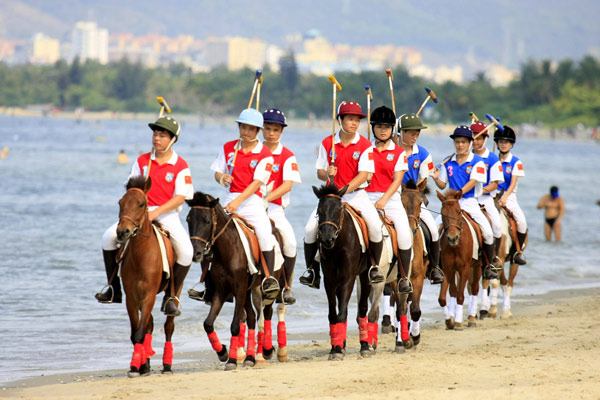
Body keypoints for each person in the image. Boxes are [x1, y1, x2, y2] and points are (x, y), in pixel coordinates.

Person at [96, 116, 194, 316]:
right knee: (108, 237)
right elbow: (130, 188)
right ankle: (113, 288)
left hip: (166, 215)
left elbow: (181, 197)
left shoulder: (180, 165)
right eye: (155, 134)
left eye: (162, 135)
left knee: (186, 252)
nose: (157, 138)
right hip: (139, 213)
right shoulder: (142, 161)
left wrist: (156, 212)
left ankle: (171, 296)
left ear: (172, 139)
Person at [300, 101, 385, 289]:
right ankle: (312, 270)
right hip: (331, 199)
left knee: (375, 227)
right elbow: (319, 173)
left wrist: (344, 189)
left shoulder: (364, 145)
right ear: (340, 120)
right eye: (350, 119)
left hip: (355, 196)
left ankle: (374, 267)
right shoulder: (327, 143)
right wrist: (327, 172)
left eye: (357, 120)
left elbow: (363, 174)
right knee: (309, 229)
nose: (354, 123)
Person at [210, 108, 279, 296]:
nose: (245, 132)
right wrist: (222, 178)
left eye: (250, 129)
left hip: (252, 202)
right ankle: (206, 282)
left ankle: (268, 279)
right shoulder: (228, 148)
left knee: (265, 235)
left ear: (258, 131)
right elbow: (217, 172)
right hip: (230, 197)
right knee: (209, 233)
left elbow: (256, 183)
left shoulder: (265, 154)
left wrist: (238, 202)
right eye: (243, 128)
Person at [432, 125, 499, 279]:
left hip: (469, 202)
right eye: (457, 142)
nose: (460, 145)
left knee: (488, 233)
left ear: (470, 143)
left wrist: (460, 192)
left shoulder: (477, 161)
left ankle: (489, 265)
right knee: (434, 230)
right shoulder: (447, 161)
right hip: (451, 205)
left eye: (463, 142)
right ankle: (434, 266)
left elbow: (474, 181)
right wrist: (435, 177)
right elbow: (443, 185)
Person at [365, 106, 413, 294]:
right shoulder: (364, 149)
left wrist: (384, 200)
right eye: (379, 127)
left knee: (403, 235)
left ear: (392, 129)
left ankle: (404, 277)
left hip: (391, 200)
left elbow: (398, 180)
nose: (383, 130)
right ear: (373, 128)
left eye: (387, 127)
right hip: (365, 197)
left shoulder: (399, 152)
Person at [396, 113, 444, 284]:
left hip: (412, 199)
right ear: (401, 132)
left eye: (417, 133)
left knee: (432, 229)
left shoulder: (423, 154)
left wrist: (410, 191)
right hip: (392, 198)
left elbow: (424, 179)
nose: (415, 136)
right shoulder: (392, 149)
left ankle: (434, 268)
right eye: (411, 132)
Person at [261, 108, 301, 304]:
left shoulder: (287, 156)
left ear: (281, 132)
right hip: (247, 205)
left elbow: (288, 185)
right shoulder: (253, 152)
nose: (270, 133)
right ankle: (209, 284)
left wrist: (266, 199)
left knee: (291, 243)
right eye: (267, 128)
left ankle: (286, 287)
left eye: (275, 130)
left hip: (274, 209)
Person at [471, 121, 505, 265]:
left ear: (485, 139)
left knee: (497, 227)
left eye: (479, 138)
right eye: (473, 137)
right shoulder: (464, 155)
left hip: (485, 199)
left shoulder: (492, 159)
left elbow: (495, 184)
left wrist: (480, 191)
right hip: (465, 199)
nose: (476, 141)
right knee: (439, 224)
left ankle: (493, 259)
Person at [494, 126, 527, 264]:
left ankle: (517, 252)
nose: (503, 144)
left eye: (506, 142)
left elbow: (513, 183)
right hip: (492, 195)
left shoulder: (516, 162)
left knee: (521, 223)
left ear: (511, 144)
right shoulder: (493, 160)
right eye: (500, 141)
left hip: (509, 197)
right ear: (496, 143)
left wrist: (505, 198)